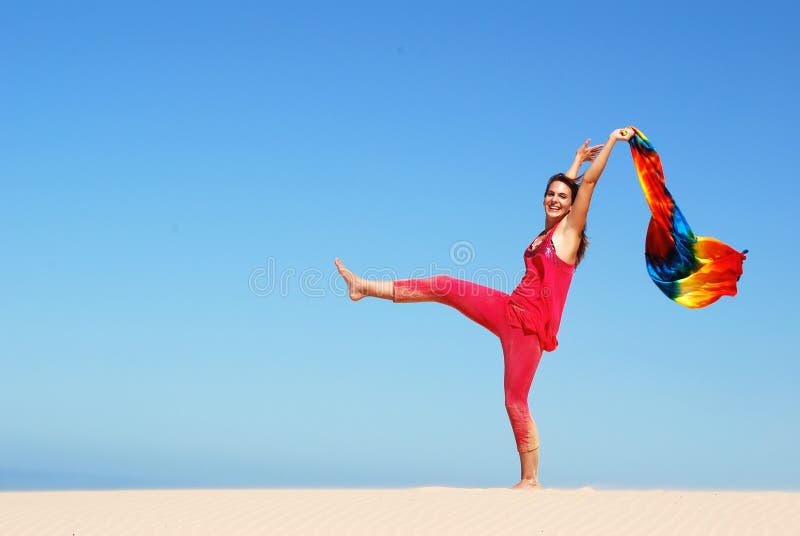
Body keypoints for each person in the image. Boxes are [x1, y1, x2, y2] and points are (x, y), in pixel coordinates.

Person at [335, 127, 635, 490]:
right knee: (444, 285)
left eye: (561, 197)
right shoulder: (546, 232)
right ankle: (363, 287)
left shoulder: (569, 234)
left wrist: (613, 143)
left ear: (573, 207)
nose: (554, 200)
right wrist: (573, 162)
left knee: (515, 401)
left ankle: (530, 479)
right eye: (549, 194)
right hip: (508, 309)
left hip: (529, 329)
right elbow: (568, 188)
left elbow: (584, 187)